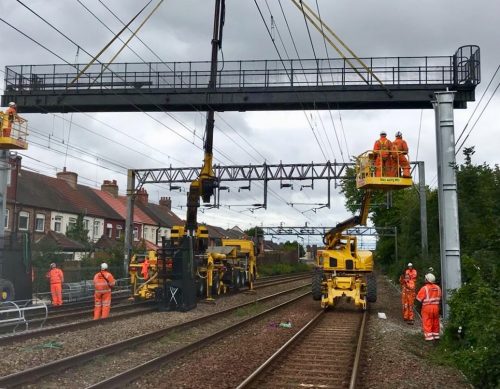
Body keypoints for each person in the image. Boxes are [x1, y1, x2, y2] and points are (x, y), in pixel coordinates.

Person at [416, 273, 442, 341]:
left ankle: (429, 336)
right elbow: (439, 297)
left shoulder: (424, 288)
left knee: (427, 321)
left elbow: (418, 299)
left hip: (427, 307)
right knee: (435, 321)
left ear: (427, 280)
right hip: (436, 307)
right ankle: (436, 335)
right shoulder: (438, 288)